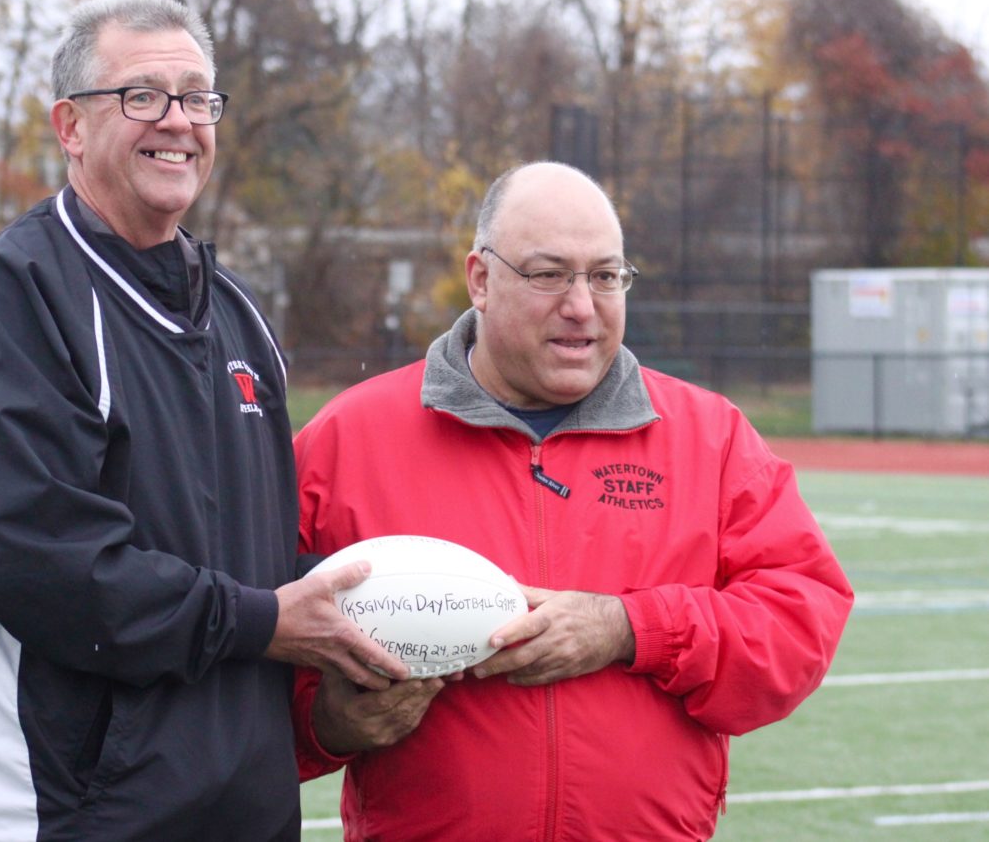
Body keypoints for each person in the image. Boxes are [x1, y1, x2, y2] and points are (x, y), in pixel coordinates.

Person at [0, 0, 406, 842]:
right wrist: (270, 620)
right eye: (141, 96)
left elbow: (243, 555)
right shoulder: (7, 301)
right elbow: (39, 559)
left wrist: (393, 597)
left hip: (231, 812)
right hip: (39, 813)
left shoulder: (237, 313)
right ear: (70, 126)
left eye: (197, 97)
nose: (178, 121)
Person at [292, 161, 854, 840]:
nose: (582, 304)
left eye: (605, 275)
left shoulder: (713, 438)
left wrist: (629, 628)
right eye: (549, 273)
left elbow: (798, 627)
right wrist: (328, 723)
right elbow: (246, 660)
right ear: (481, 281)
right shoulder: (347, 442)